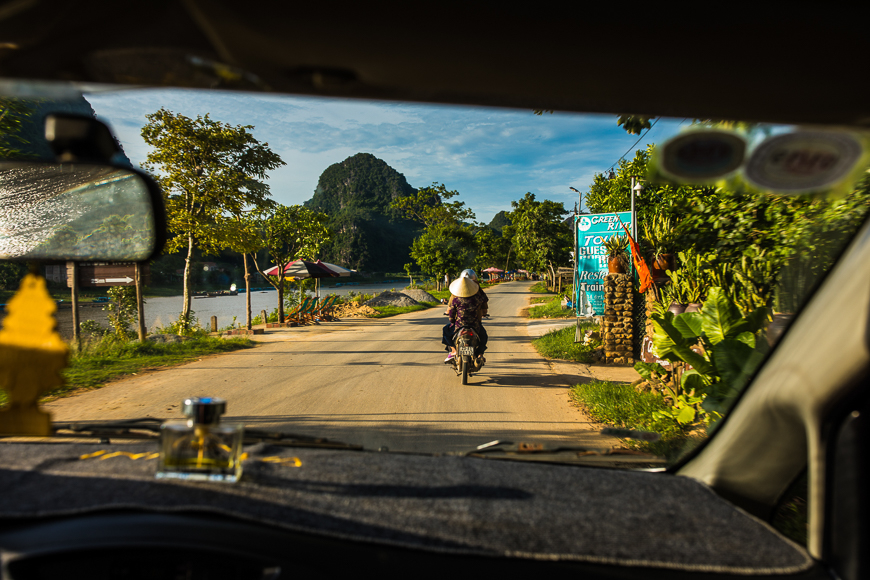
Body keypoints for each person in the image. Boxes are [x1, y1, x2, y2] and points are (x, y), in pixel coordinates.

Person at [442, 273, 488, 363]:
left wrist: (452, 321)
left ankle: (453, 350)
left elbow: (451, 315)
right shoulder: (477, 298)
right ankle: (480, 354)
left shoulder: (456, 299)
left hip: (459, 325)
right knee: (483, 336)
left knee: (446, 330)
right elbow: (484, 302)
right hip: (475, 325)